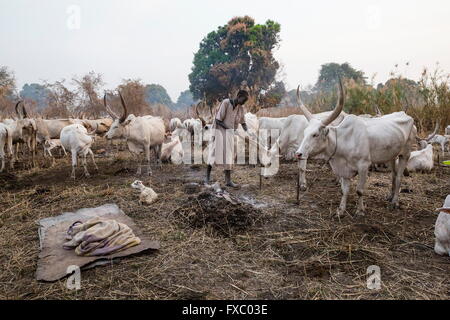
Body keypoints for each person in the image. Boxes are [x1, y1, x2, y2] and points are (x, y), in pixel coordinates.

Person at [205, 90, 249, 187]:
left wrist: (248, 132)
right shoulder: (226, 103)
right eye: (243, 100)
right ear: (238, 96)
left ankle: (228, 181)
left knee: (229, 155)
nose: (243, 102)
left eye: (245, 101)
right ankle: (207, 177)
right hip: (219, 130)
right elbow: (218, 120)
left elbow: (243, 122)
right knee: (213, 153)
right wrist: (228, 128)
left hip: (229, 134)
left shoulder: (240, 108)